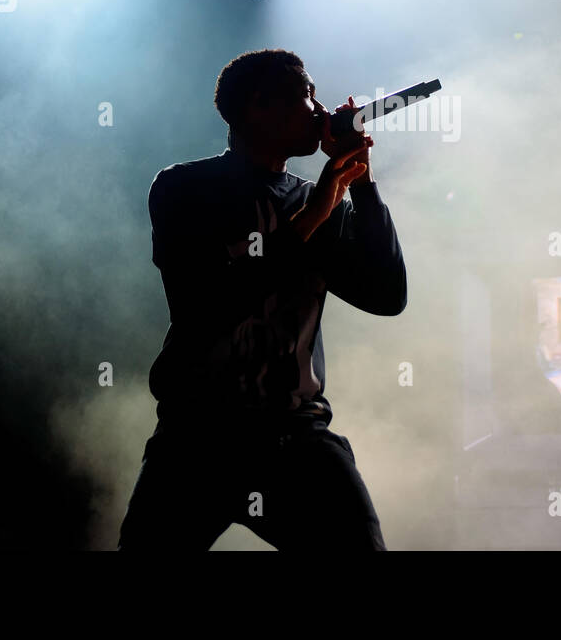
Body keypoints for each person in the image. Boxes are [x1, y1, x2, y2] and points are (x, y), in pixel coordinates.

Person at [118, 49, 407, 551]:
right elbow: (210, 305)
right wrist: (315, 213)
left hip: (295, 436)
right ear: (257, 106)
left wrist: (361, 184)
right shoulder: (183, 188)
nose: (320, 112)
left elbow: (387, 296)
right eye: (305, 96)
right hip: (196, 438)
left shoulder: (320, 197)